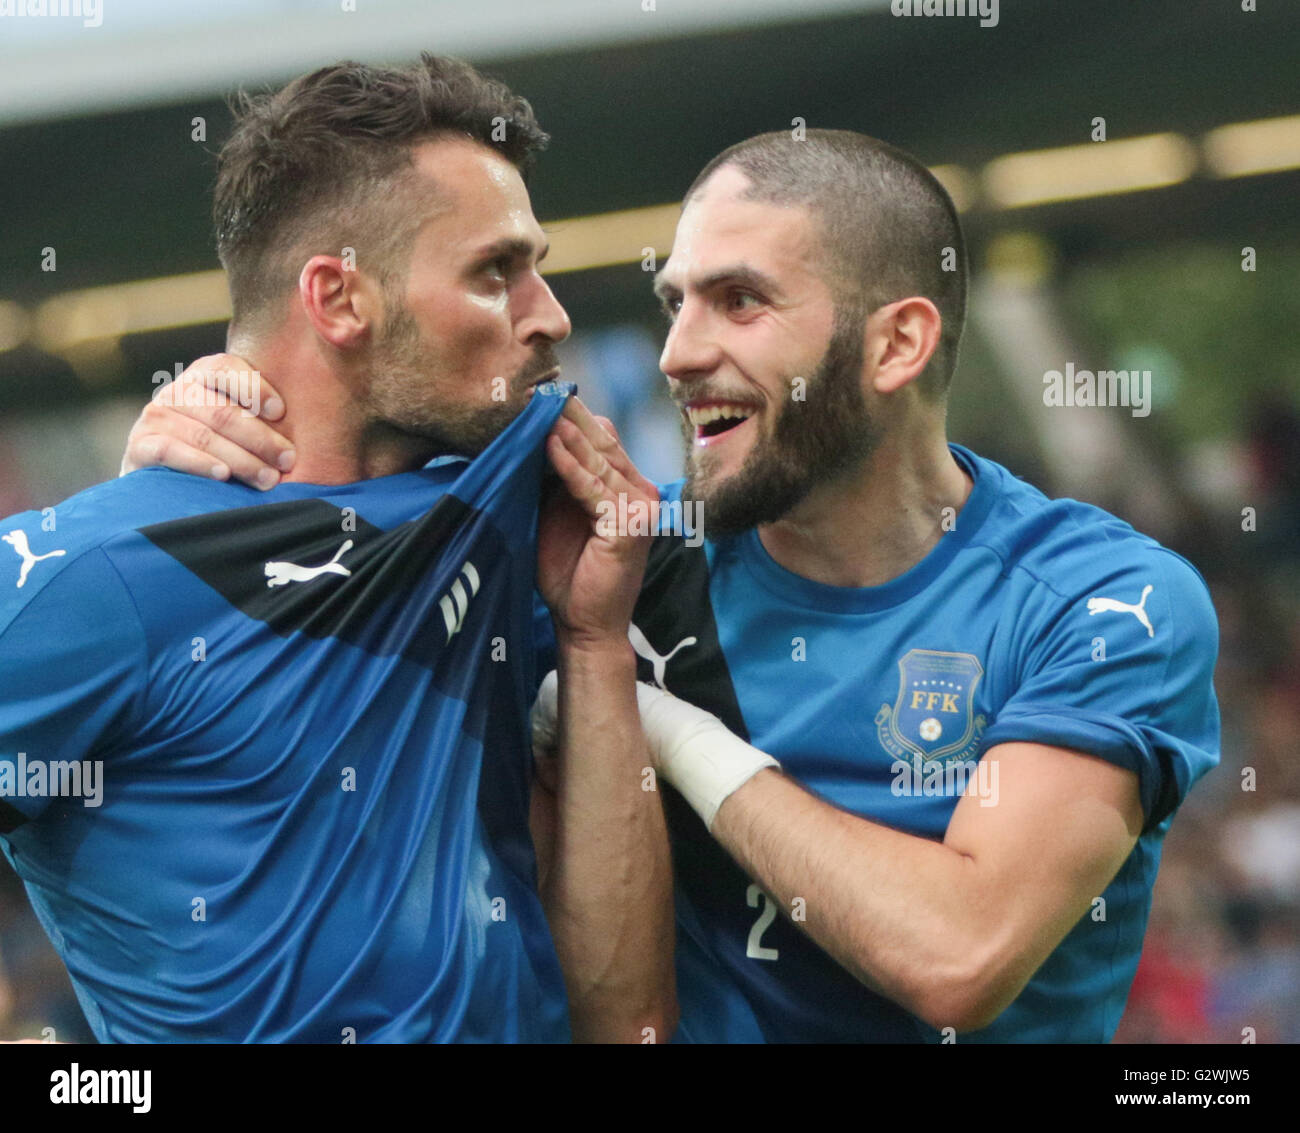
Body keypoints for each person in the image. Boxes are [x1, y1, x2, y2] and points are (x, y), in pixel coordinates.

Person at [126, 129, 1220, 1043]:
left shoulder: (1101, 601)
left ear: (895, 344)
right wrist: (189, 465)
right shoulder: (611, 562)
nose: (677, 352)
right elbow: (292, 635)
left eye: (738, 302)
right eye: (674, 300)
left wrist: (668, 731)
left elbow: (959, 956)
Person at [1, 54, 673, 1043]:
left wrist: (593, 643)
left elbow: (626, 1020)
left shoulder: (524, 494)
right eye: (496, 272)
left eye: (537, 264)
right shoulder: (89, 574)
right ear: (338, 299)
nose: (551, 315)